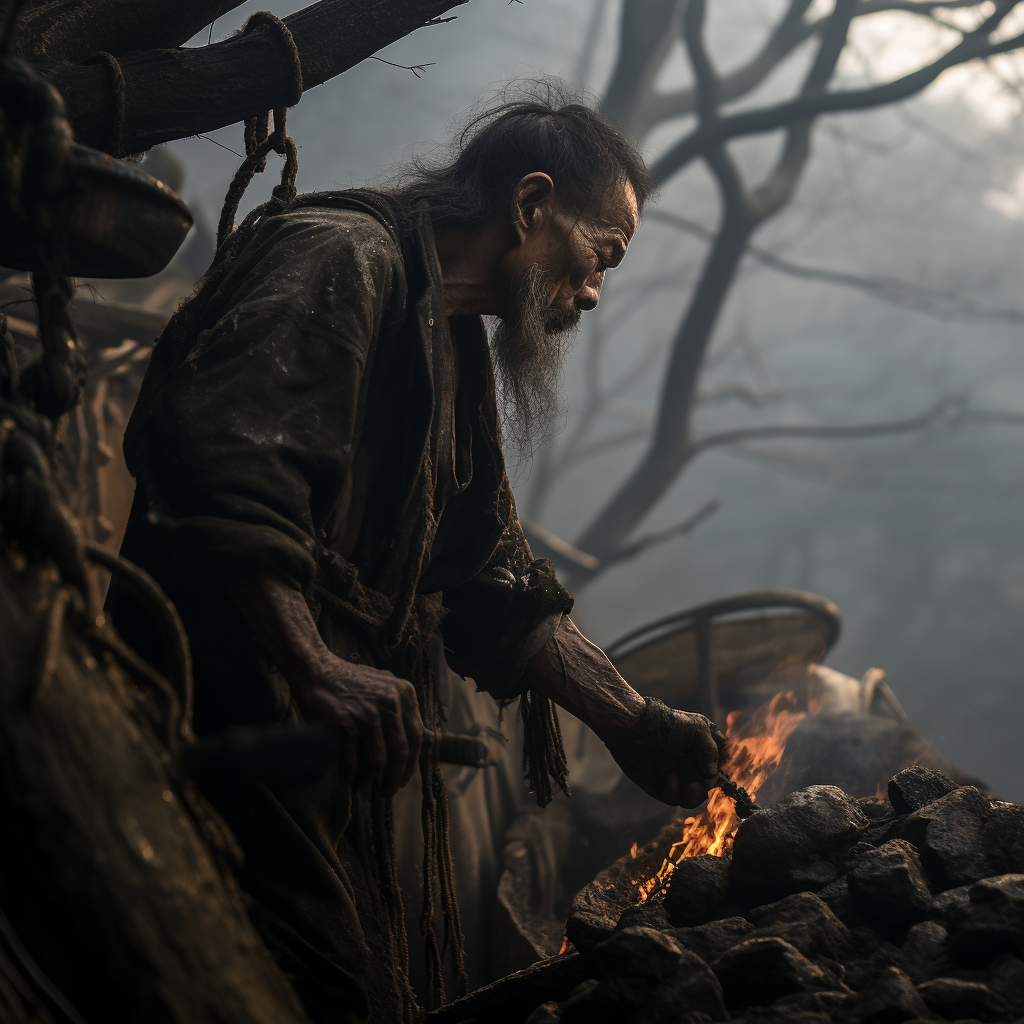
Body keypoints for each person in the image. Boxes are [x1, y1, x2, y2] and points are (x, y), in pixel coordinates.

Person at [109, 84, 725, 1024]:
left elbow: (487, 577)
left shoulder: (449, 339)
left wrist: (633, 723)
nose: (594, 290)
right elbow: (221, 473)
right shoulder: (339, 257)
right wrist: (316, 663)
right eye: (601, 256)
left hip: (303, 764)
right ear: (529, 206)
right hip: (197, 716)